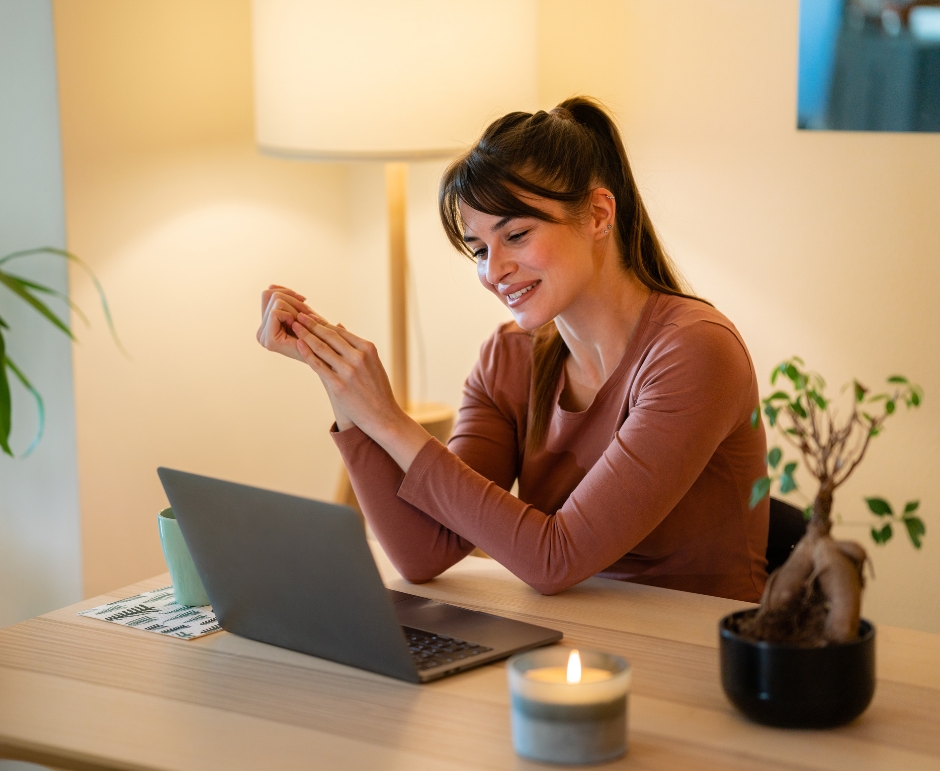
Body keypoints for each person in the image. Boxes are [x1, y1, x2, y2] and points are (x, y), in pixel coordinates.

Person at [257, 97, 768, 603]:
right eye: (479, 250)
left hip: (695, 657)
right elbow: (422, 552)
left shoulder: (695, 352)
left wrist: (389, 421)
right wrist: (342, 382)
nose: (493, 270)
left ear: (597, 214)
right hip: (568, 647)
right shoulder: (509, 357)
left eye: (517, 234)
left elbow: (555, 558)